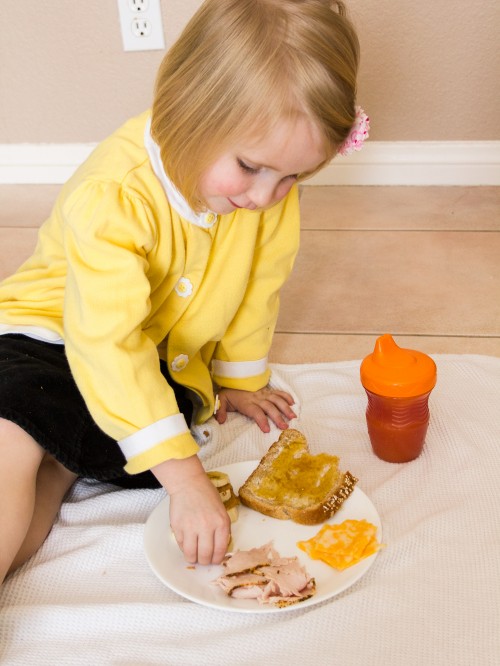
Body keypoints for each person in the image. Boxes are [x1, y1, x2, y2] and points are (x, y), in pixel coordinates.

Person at [0, 0, 367, 580]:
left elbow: (258, 287)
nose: (268, 196)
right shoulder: (114, 195)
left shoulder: (266, 194)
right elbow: (107, 342)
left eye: (292, 176)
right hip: (55, 333)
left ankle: (68, 457)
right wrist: (185, 477)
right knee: (14, 440)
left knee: (60, 463)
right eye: (250, 167)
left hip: (155, 363)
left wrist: (236, 379)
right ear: (188, 111)